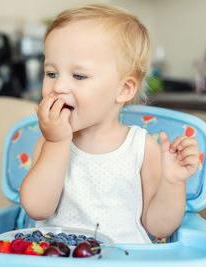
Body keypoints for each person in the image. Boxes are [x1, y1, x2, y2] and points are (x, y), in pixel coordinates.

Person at [19, 4, 200, 244]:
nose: (58, 86)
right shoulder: (49, 141)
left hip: (125, 259)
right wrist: (57, 141)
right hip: (59, 257)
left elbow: (159, 227)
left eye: (79, 76)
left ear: (123, 89)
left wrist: (173, 182)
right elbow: (37, 208)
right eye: (51, 73)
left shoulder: (141, 146)